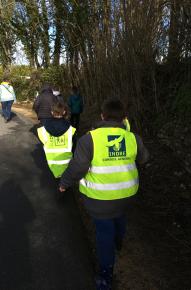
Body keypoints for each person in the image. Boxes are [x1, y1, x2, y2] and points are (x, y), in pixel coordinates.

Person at [59, 98, 149, 290]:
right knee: (120, 216)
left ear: (102, 116)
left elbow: (77, 168)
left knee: (104, 233)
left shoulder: (89, 139)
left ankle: (106, 275)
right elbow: (144, 159)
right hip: (127, 194)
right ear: (124, 118)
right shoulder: (133, 137)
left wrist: (64, 184)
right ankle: (119, 242)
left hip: (100, 199)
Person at [37, 102, 76, 199]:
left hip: (52, 164)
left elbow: (43, 142)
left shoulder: (43, 129)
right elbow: (75, 146)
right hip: (67, 164)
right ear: (64, 113)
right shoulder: (71, 129)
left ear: (51, 112)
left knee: (55, 184)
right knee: (66, 187)